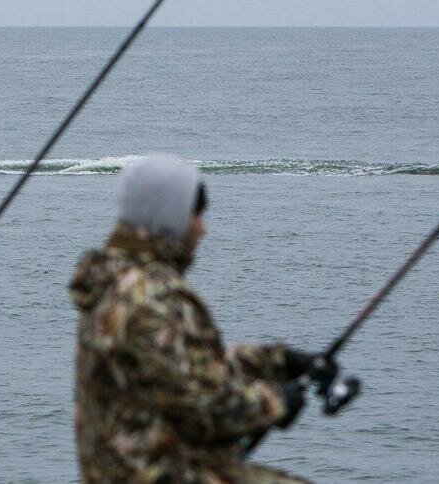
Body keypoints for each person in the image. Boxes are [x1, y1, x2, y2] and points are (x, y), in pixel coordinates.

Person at [70, 157, 336, 483]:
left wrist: (278, 362)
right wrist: (276, 402)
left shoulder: (115, 281)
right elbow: (201, 411)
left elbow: (181, 371)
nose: (202, 229)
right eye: (195, 215)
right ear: (170, 217)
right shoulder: (152, 299)